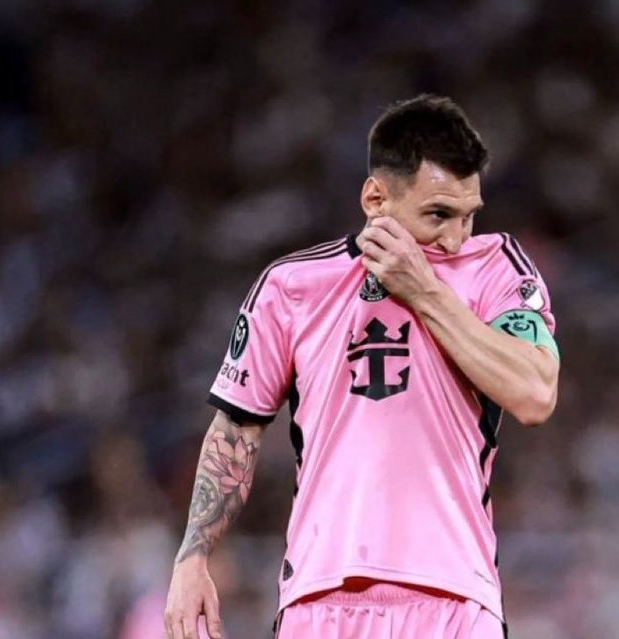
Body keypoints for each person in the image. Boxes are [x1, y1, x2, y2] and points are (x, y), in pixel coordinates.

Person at [164, 95, 561, 639]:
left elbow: (535, 393)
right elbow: (236, 428)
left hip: (452, 597)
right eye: (438, 215)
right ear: (376, 199)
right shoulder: (292, 286)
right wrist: (194, 556)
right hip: (320, 596)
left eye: (469, 215)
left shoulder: (495, 268)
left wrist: (423, 291)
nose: (455, 238)